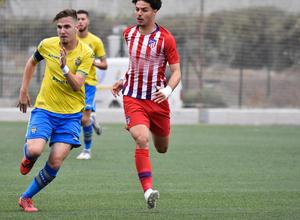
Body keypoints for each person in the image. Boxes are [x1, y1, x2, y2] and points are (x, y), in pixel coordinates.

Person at [17, 9, 94, 212]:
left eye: (67, 26)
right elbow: (31, 62)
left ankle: (26, 198)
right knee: (34, 150)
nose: (62, 31)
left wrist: (65, 68)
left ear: (77, 27)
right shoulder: (47, 44)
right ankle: (28, 157)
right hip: (45, 109)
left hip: (70, 116)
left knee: (56, 160)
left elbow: (77, 85)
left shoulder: (86, 53)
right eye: (59, 27)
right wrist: (23, 90)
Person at [111, 0, 181, 209]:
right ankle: (148, 190)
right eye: (137, 9)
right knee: (141, 138)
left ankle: (139, 124)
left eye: (144, 10)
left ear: (155, 11)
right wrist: (125, 81)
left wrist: (167, 90)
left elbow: (176, 71)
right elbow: (135, 65)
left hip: (157, 100)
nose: (139, 14)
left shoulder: (165, 38)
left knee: (162, 148)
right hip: (133, 97)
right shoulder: (128, 34)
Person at [76, 9, 108, 160]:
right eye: (78, 19)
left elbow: (104, 64)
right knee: (74, 117)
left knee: (84, 119)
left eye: (83, 19)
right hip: (73, 83)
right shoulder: (69, 39)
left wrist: (91, 61)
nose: (80, 21)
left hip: (88, 84)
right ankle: (92, 118)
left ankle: (87, 150)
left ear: (87, 21)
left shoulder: (95, 41)